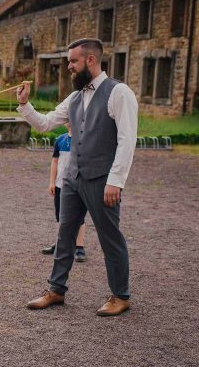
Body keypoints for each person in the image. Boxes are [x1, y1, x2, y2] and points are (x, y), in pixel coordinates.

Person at [17, 38, 138, 316]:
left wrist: (115, 181)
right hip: (72, 178)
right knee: (65, 234)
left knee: (110, 237)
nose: (69, 66)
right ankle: (56, 289)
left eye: (73, 61)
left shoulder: (119, 93)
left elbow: (127, 140)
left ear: (91, 60)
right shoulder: (75, 96)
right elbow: (46, 123)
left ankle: (121, 295)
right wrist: (25, 105)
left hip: (102, 180)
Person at [43, 121, 87, 262]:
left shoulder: (83, 140)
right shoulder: (60, 140)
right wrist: (52, 181)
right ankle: (60, 244)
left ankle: (79, 247)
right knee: (60, 215)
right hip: (60, 184)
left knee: (79, 217)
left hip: (77, 185)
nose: (69, 120)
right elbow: (55, 162)